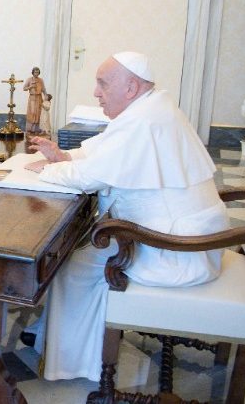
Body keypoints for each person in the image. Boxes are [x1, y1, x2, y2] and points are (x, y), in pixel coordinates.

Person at [22, 52, 230, 382]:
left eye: (103, 84)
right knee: (79, 252)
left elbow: (90, 177)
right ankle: (50, 334)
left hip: (177, 251)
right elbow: (104, 150)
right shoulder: (152, 108)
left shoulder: (144, 119)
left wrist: (48, 170)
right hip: (183, 236)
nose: (96, 92)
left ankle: (75, 363)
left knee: (71, 265)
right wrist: (64, 157)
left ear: (131, 87)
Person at [23, 66, 47, 134]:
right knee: (32, 112)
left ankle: (37, 129)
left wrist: (46, 96)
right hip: (32, 98)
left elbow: (43, 89)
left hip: (39, 97)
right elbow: (24, 88)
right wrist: (30, 87)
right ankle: (30, 129)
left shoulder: (41, 80)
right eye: (35, 72)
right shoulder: (29, 79)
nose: (36, 73)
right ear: (33, 72)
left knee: (38, 113)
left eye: (37, 72)